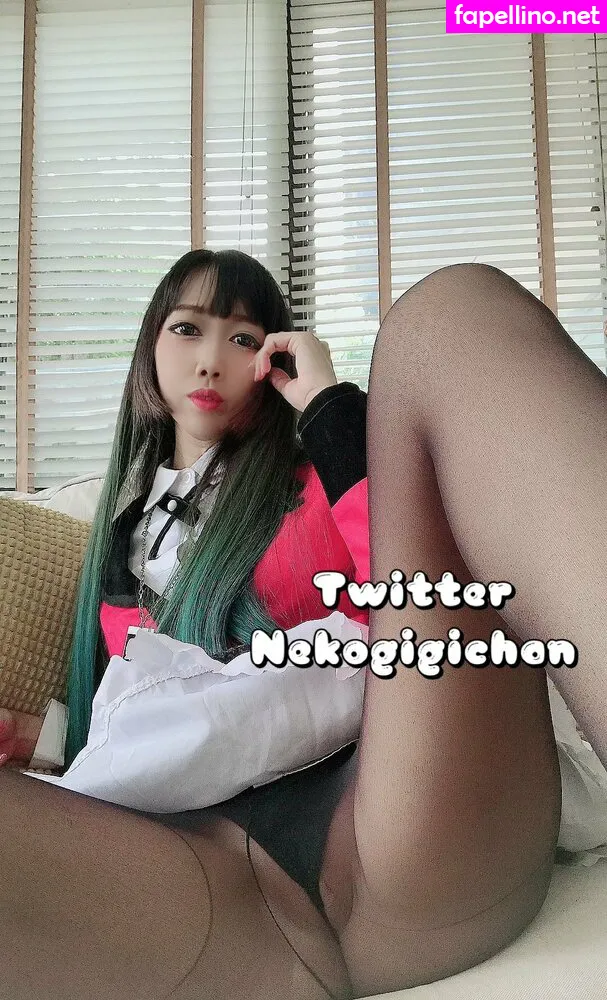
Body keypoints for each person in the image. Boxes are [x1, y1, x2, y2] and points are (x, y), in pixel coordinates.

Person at [0, 252, 605, 999]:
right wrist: (43, 738)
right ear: (149, 345)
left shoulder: (317, 476)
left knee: (452, 312)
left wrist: (325, 405)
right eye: (187, 329)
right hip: (180, 884)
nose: (211, 359)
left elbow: (415, 595)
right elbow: (129, 734)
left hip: (394, 810)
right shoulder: (116, 544)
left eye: (243, 339)